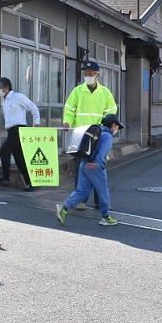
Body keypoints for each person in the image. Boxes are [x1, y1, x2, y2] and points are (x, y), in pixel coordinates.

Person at [62, 60, 117, 210]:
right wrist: (67, 122)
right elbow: (69, 109)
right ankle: (80, 201)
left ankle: (101, 202)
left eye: (90, 74)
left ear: (97, 75)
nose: (88, 76)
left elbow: (111, 113)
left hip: (98, 137)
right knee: (80, 168)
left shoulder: (105, 93)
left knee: (98, 168)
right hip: (80, 136)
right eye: (86, 74)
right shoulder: (77, 91)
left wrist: (107, 129)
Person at [56, 114, 124, 227]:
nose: (117, 129)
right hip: (94, 165)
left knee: (82, 191)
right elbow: (103, 152)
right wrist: (98, 164)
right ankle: (105, 217)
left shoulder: (96, 131)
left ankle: (64, 208)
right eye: (117, 126)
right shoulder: (107, 136)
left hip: (84, 162)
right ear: (113, 125)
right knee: (103, 190)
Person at [0, 77, 41, 191]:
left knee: (4, 151)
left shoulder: (18, 97)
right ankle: (32, 183)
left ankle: (6, 179)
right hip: (11, 131)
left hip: (19, 130)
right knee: (19, 159)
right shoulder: (4, 100)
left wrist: (37, 122)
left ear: (7, 87)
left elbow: (33, 107)